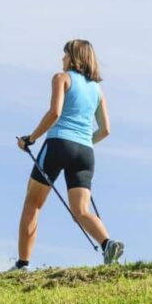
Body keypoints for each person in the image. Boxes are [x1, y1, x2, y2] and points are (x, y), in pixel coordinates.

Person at [9, 39, 124, 271]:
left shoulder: (62, 78)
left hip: (58, 144)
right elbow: (105, 130)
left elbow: (55, 113)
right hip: (85, 152)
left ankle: (22, 265)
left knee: (33, 203)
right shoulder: (96, 89)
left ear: (73, 57)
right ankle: (107, 244)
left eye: (64, 55)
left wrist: (30, 139)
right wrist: (82, 141)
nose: (61, 59)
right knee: (81, 210)